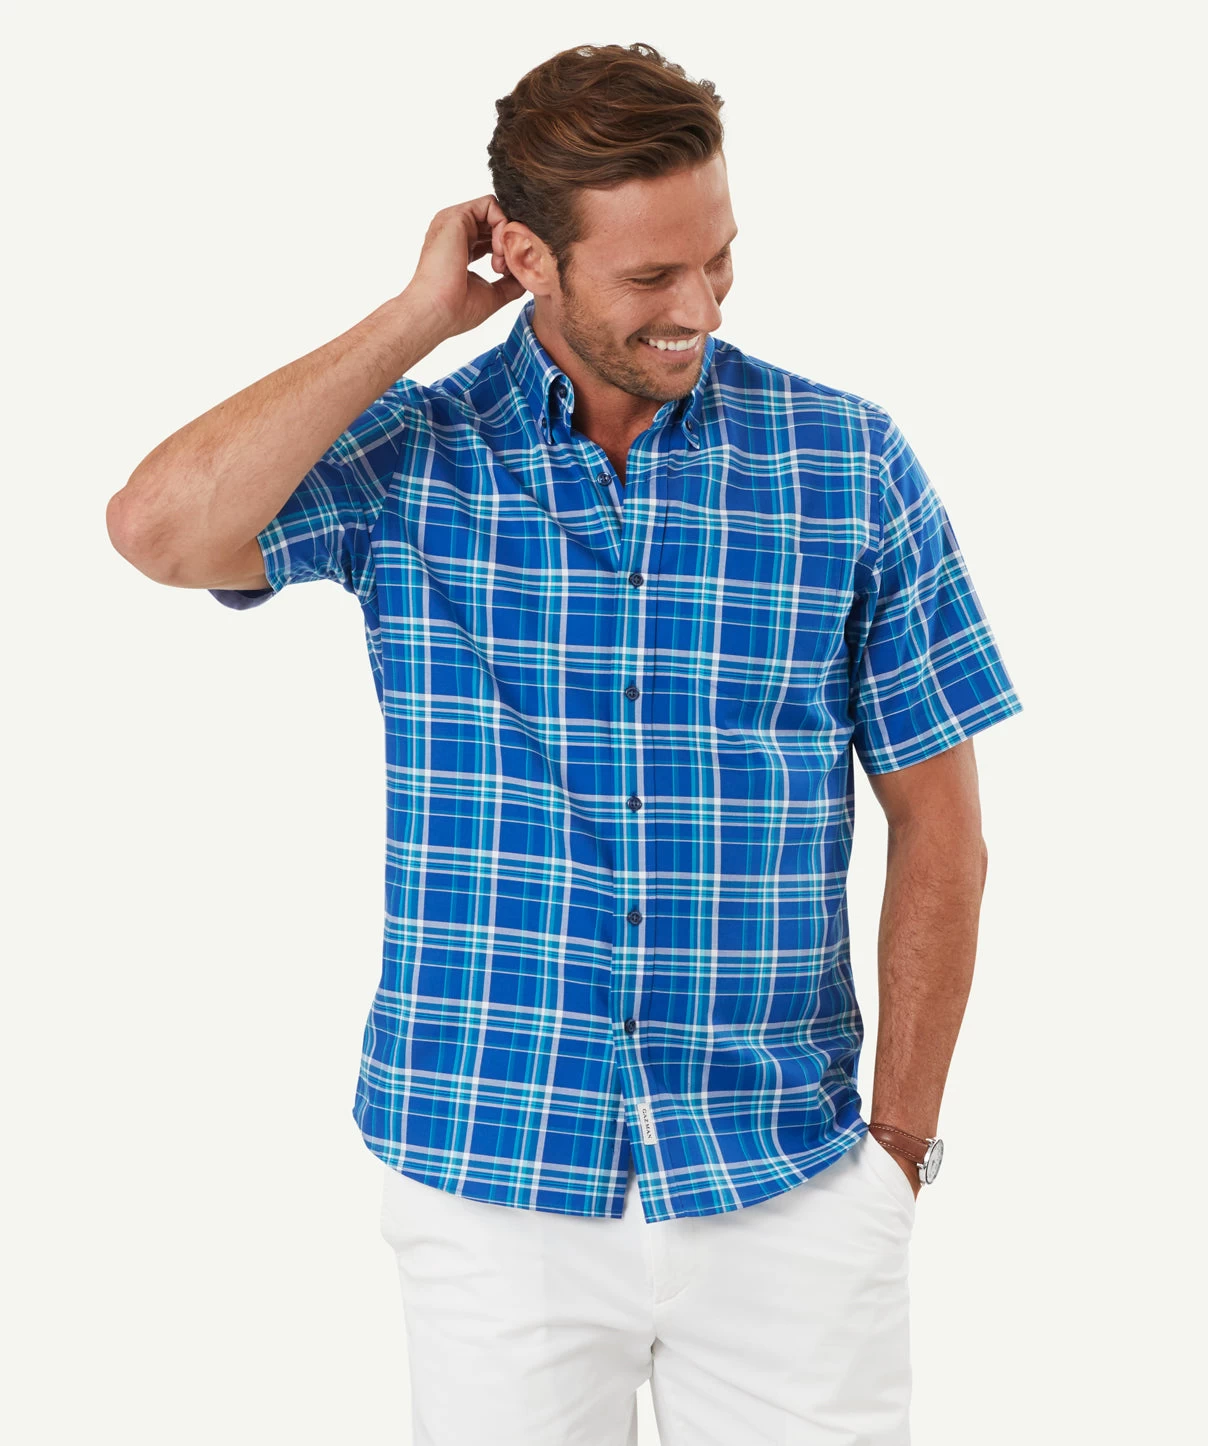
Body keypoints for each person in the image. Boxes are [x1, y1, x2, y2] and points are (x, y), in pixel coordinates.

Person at [107, 39, 1022, 1446]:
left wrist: (897, 1149)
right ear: (528, 257)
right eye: (652, 276)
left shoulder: (847, 462)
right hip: (491, 1182)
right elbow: (159, 531)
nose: (697, 306)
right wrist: (416, 317)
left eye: (719, 257)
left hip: (786, 1183)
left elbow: (942, 828)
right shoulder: (411, 456)